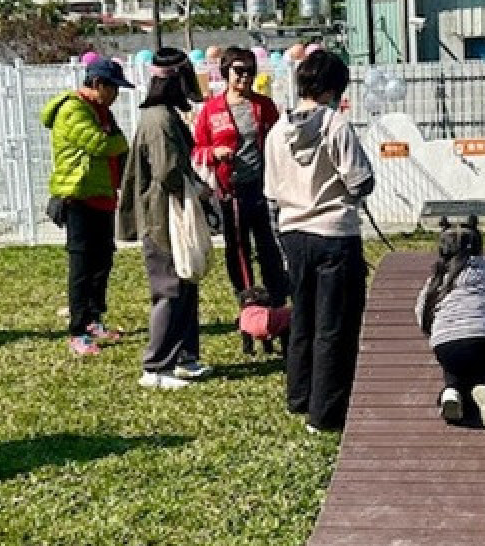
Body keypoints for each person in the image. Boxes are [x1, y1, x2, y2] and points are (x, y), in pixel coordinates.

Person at [264, 50, 375, 434]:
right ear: (333, 88)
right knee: (335, 326)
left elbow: (271, 193)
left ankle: (299, 396)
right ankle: (326, 413)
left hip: (293, 233)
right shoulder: (335, 125)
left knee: (303, 318)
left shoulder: (276, 131)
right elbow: (360, 182)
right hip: (334, 232)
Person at [117, 47, 212, 389]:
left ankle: (185, 357)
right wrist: (199, 190)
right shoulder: (158, 120)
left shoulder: (164, 115)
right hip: (162, 219)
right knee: (169, 289)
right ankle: (156, 367)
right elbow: (168, 172)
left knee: (185, 285)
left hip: (171, 216)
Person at [41, 58, 132, 357]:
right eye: (113, 88)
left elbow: (119, 144)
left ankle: (95, 318)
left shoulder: (102, 111)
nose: (116, 95)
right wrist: (117, 141)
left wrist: (117, 142)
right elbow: (101, 145)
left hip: (102, 194)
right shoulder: (72, 109)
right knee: (81, 265)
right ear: (97, 84)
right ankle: (77, 330)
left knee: (102, 260)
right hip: (78, 195)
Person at [191, 46, 286, 323]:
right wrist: (214, 153)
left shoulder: (264, 106)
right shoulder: (211, 110)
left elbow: (279, 140)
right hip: (230, 189)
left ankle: (276, 298)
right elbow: (196, 150)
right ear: (225, 72)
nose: (245, 77)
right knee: (239, 248)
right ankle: (247, 302)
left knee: (269, 245)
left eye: (250, 71)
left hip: (263, 186)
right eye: (239, 71)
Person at [414, 216, 485, 432]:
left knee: (454, 369)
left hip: (444, 346)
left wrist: (432, 333)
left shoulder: (436, 281)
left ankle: (451, 392)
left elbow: (420, 311)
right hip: (480, 341)